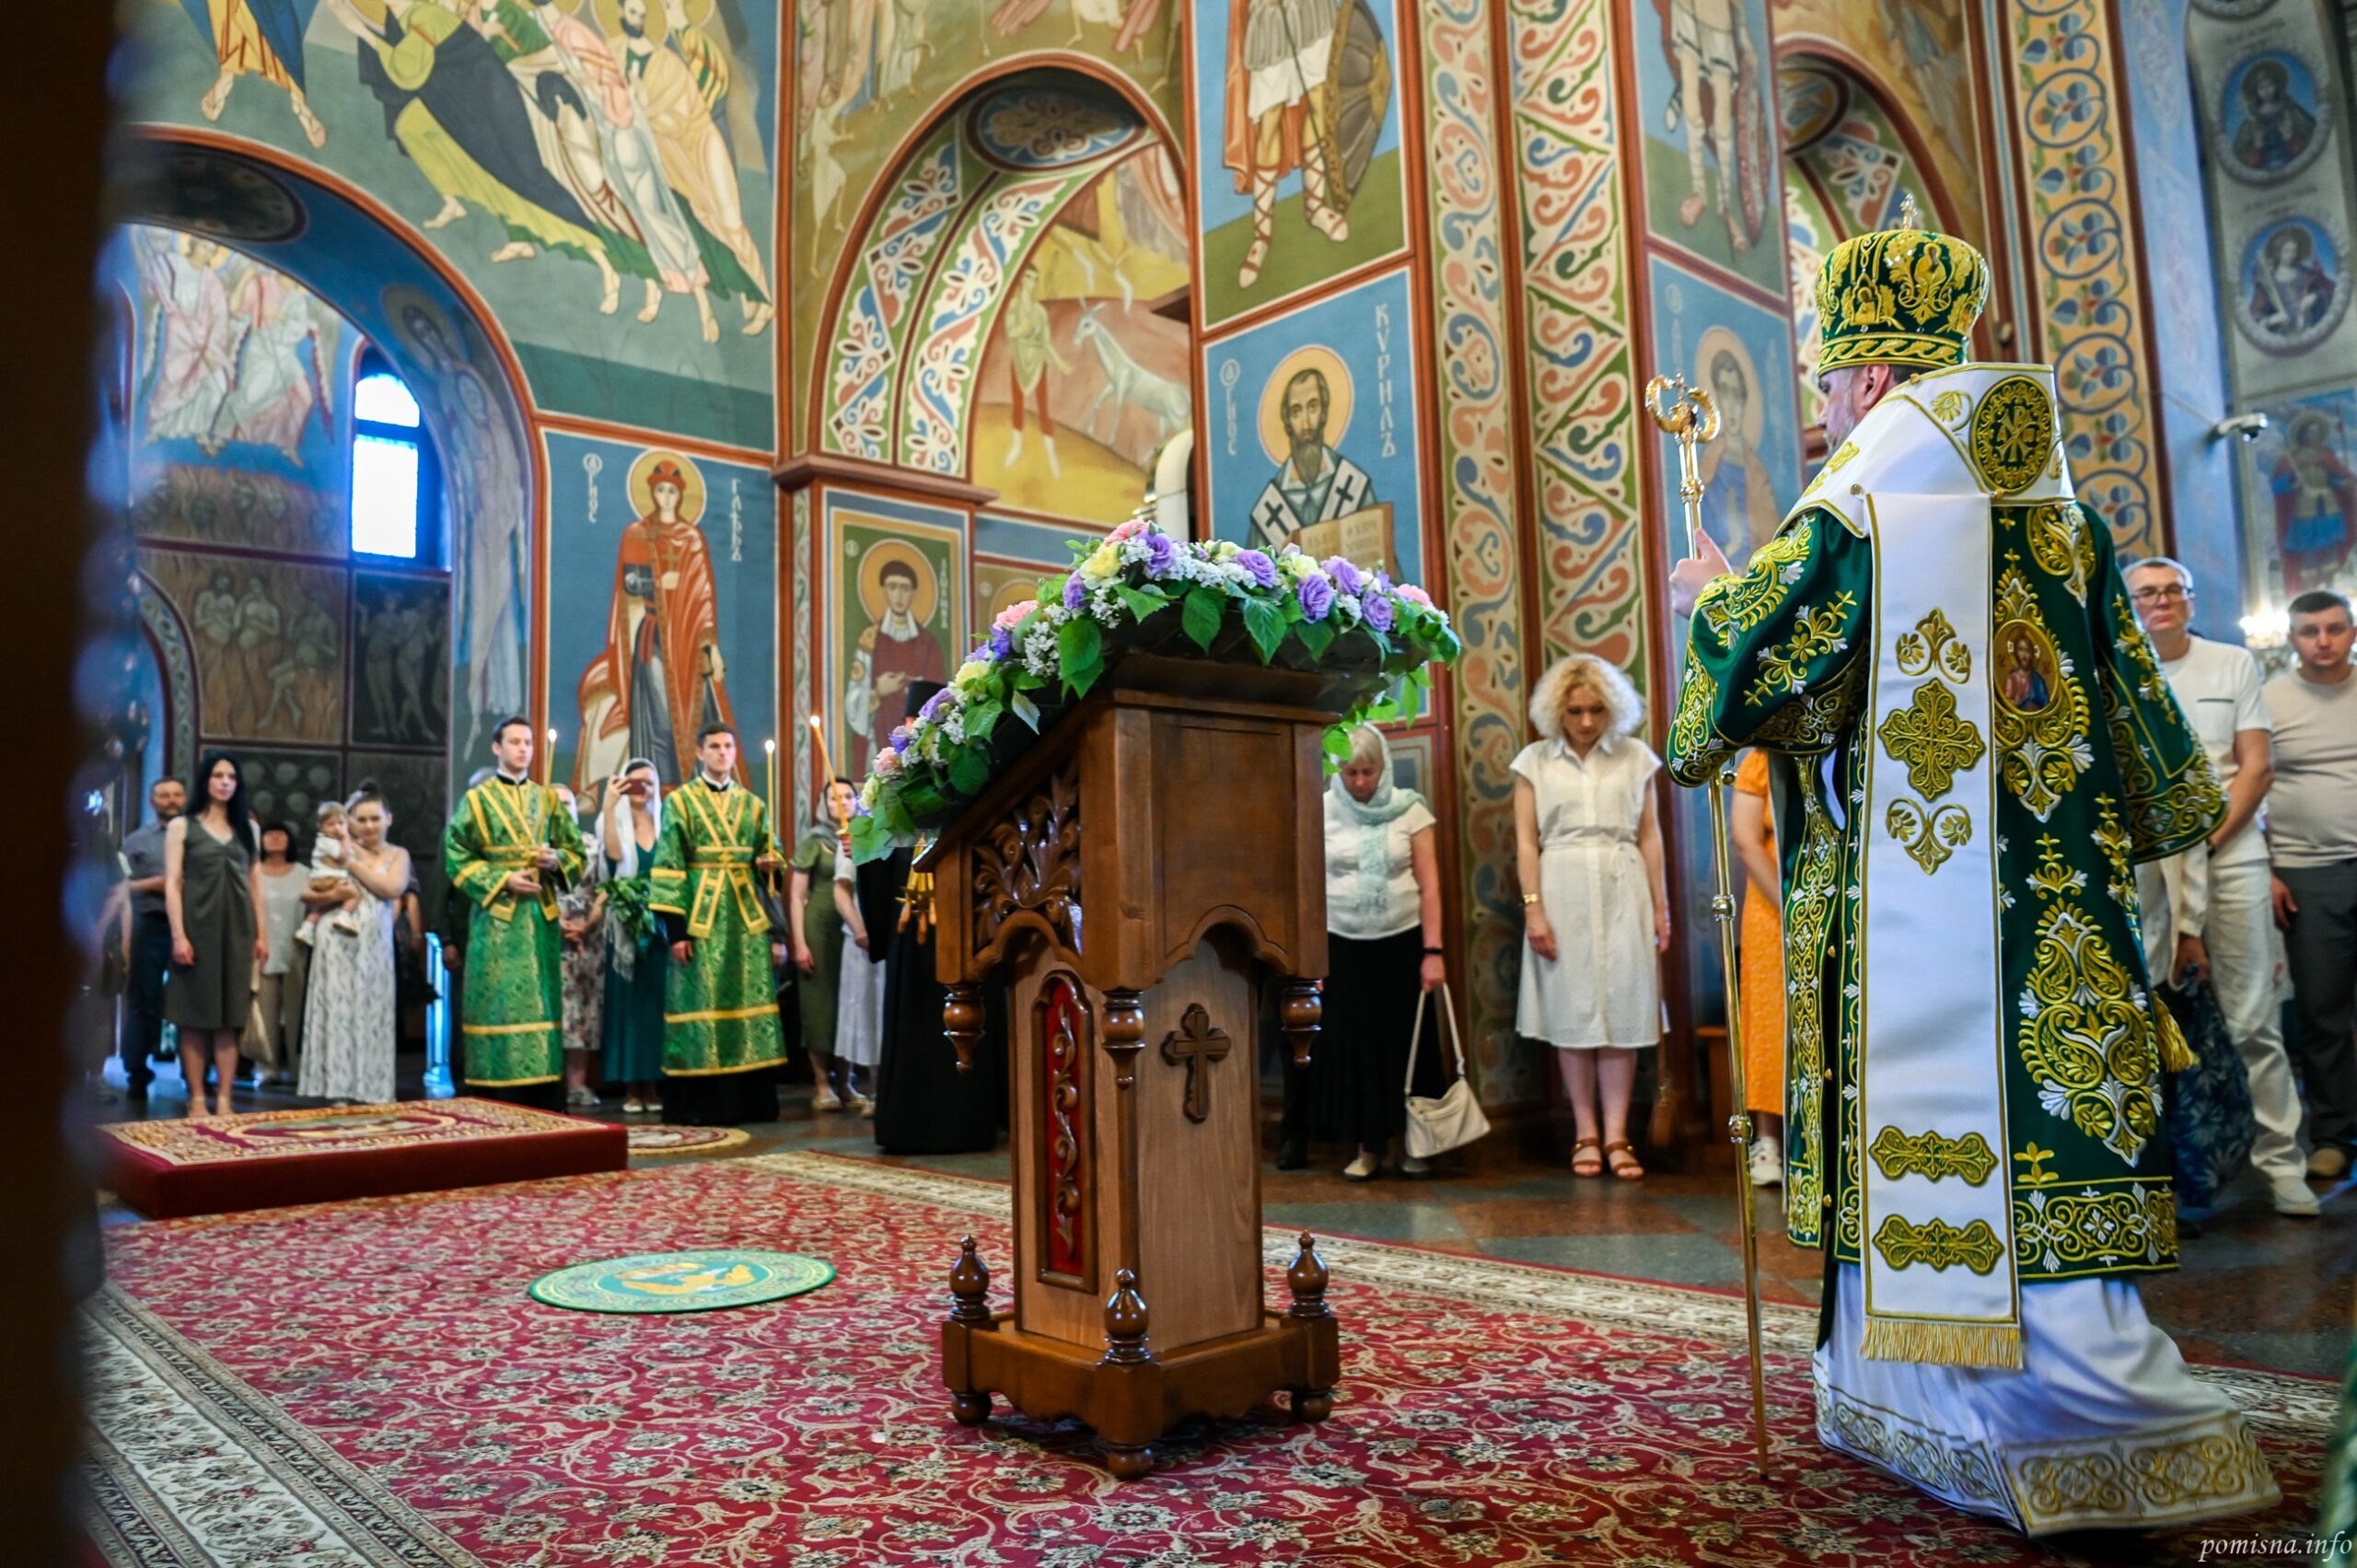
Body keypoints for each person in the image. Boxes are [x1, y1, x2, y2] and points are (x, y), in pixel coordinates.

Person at [1663, 203, 2276, 1533]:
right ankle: (1972, 1401)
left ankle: (2016, 1411)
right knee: (2038, 1125)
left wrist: (1710, 598)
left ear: (1876, 372)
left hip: (1901, 929)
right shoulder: (2069, 524)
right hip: (2055, 916)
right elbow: (2162, 766)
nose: (1828, 407)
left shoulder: (1853, 518)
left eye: (1833, 379)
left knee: (1931, 1126)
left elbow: (1752, 682)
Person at [2126, 556, 2312, 1217]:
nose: (2162, 601)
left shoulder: (2231, 663)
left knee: (2252, 1017)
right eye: (2146, 593)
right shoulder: (2115, 669)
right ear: (2128, 606)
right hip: (2148, 862)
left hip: (2228, 849)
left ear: (2191, 599)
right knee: (2150, 1016)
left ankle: (2283, 1166)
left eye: (2173, 590)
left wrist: (2204, 841)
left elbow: (2255, 767)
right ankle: (2166, 1173)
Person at [1513, 655, 1670, 1180]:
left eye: (1597, 710)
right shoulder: (1534, 762)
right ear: (1557, 710)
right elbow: (1526, 843)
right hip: (1561, 886)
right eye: (1575, 711)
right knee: (1572, 1010)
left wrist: (1661, 906)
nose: (1585, 721)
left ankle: (1619, 1135)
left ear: (1613, 709)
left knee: (1622, 1009)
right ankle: (1585, 1132)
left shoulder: (1636, 758)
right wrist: (1534, 909)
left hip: (1624, 883)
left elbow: (1650, 835)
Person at [1280, 726, 1446, 1179]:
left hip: (1402, 943)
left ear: (1383, 766)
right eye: (1350, 773)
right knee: (1355, 1047)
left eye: (1368, 772)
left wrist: (1434, 951)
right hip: (1343, 945)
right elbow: (1309, 888)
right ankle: (1366, 1147)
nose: (1359, 782)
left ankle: (1413, 1145)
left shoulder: (1411, 810)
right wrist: (1311, 958)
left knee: (1405, 1045)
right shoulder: (1322, 810)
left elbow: (1430, 887)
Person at [650, 724, 786, 1124]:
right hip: (701, 918)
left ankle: (751, 1102)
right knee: (701, 1000)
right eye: (714, 746)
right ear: (700, 753)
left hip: (745, 919)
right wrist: (676, 931)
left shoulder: (753, 804)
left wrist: (770, 865)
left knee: (746, 999)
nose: (723, 752)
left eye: (728, 746)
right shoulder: (680, 802)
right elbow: (669, 864)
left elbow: (771, 855)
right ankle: (700, 1105)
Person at [2266, 589, 2357, 1182]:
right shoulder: (2269, 699)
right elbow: (2246, 780)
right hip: (2306, 871)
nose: (2323, 641)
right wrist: (2268, 869)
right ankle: (2333, 1136)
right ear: (2291, 638)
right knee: (2323, 1012)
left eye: (2335, 628)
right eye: (2309, 631)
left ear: (2353, 632)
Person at [445, 717, 582, 1109]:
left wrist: (555, 860)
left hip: (538, 920)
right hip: (496, 923)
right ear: (497, 747)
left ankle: (543, 1096)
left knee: (540, 1001)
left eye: (528, 742)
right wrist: (503, 879)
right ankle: (495, 1093)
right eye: (515, 742)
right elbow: (456, 855)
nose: (523, 749)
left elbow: (575, 851)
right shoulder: (477, 801)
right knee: (498, 1003)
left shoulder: (548, 799)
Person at [165, 752, 268, 1119]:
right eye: (218, 775)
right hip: (197, 927)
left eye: (231, 777)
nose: (225, 782)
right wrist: (178, 935)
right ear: (205, 780)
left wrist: (262, 935)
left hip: (238, 931)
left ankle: (224, 1097)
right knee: (193, 1015)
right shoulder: (182, 826)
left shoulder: (249, 828)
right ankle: (196, 1096)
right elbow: (173, 883)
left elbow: (256, 884)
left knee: (231, 1017)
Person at [298, 789, 410, 1105]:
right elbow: (307, 893)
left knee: (374, 1012)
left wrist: (352, 863)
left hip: (376, 945)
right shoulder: (334, 847)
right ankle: (337, 1088)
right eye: (361, 819)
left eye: (375, 818)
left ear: (388, 819)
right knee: (339, 1011)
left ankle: (373, 1087)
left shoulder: (397, 854)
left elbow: (392, 888)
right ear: (349, 821)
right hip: (336, 937)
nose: (369, 825)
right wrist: (334, 894)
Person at [600, 759, 668, 1113]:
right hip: (626, 926)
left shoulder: (666, 823)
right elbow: (614, 858)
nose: (643, 790)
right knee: (628, 1006)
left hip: (661, 927)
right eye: (635, 783)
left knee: (656, 1005)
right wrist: (610, 808)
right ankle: (631, 1086)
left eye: (649, 783)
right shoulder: (613, 819)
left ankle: (654, 1084)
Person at [1730, 749, 1784, 1187]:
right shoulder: (1761, 760)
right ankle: (1768, 1140)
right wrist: (1790, 905)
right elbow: (1746, 840)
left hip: (1835, 897)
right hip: (1772, 905)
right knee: (1771, 1017)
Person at [788, 777, 858, 1110]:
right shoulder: (813, 840)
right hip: (819, 929)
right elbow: (796, 896)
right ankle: (821, 1085)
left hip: (853, 930)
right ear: (824, 804)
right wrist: (799, 943)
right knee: (820, 1006)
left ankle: (847, 1083)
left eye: (848, 796)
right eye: (834, 798)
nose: (841, 803)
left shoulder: (865, 837)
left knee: (849, 1005)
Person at [118, 776, 187, 1100]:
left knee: (192, 999)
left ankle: (195, 1072)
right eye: (164, 795)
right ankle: (137, 1071)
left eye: (177, 794)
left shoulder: (196, 836)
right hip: (149, 923)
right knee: (143, 998)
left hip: (190, 925)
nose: (171, 800)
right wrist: (155, 884)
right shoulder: (136, 840)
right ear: (152, 801)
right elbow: (120, 886)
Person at [552, 784, 607, 1109]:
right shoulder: (540, 849)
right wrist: (556, 920)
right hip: (549, 934)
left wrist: (587, 923)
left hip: (588, 937)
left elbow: (605, 888)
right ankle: (550, 1084)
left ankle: (578, 1085)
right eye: (555, 803)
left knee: (583, 1011)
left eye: (567, 804)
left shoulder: (593, 846)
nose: (562, 809)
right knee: (555, 1010)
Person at [249, 820, 309, 1088]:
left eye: (280, 833)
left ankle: (299, 1070)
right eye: (268, 833)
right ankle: (266, 1069)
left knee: (298, 1013)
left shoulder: (304, 873)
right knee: (264, 1013)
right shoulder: (253, 873)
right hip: (262, 948)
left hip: (296, 948)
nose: (274, 838)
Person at [832, 838, 884, 1112]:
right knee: (869, 1012)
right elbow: (842, 889)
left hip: (892, 932)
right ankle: (877, 1090)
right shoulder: (857, 833)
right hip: (863, 937)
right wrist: (859, 929)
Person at [295, 798, 362, 944]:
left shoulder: (327, 841)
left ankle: (307, 928)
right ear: (320, 826)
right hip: (329, 879)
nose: (337, 828)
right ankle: (344, 916)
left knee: (324, 907)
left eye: (341, 824)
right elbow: (342, 857)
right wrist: (346, 837)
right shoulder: (327, 841)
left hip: (322, 880)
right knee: (354, 894)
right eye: (331, 824)